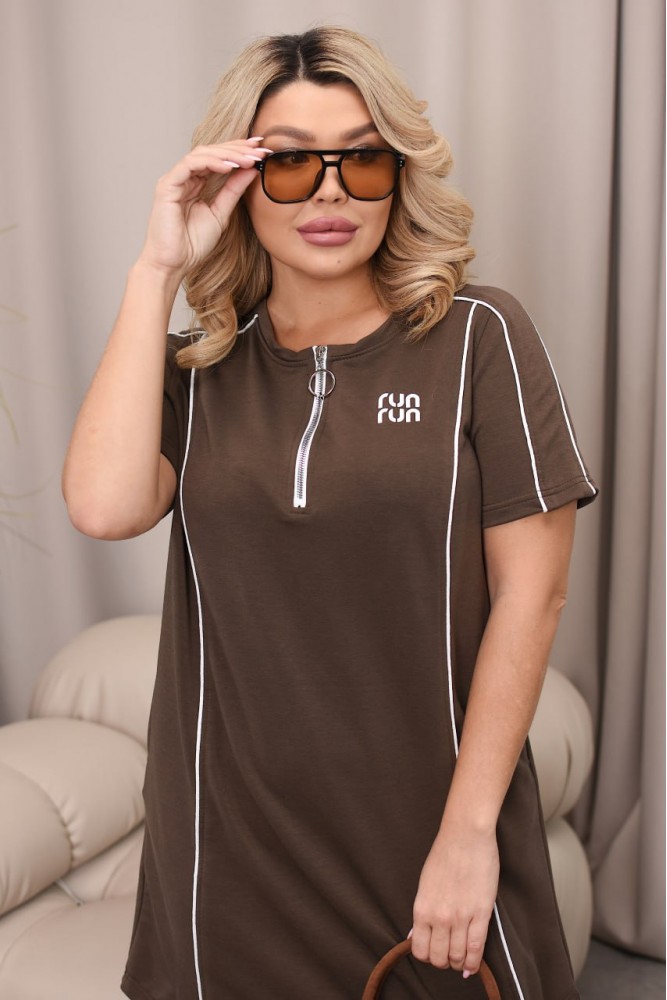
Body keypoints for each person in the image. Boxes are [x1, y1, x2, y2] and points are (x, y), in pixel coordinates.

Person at [62, 26, 598, 1000]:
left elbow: (534, 594)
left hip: (431, 833)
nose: (329, 193)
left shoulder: (478, 337)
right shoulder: (197, 370)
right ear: (236, 179)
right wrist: (156, 269)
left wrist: (468, 834)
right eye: (289, 162)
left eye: (362, 160)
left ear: (398, 177)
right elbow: (102, 506)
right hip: (227, 854)